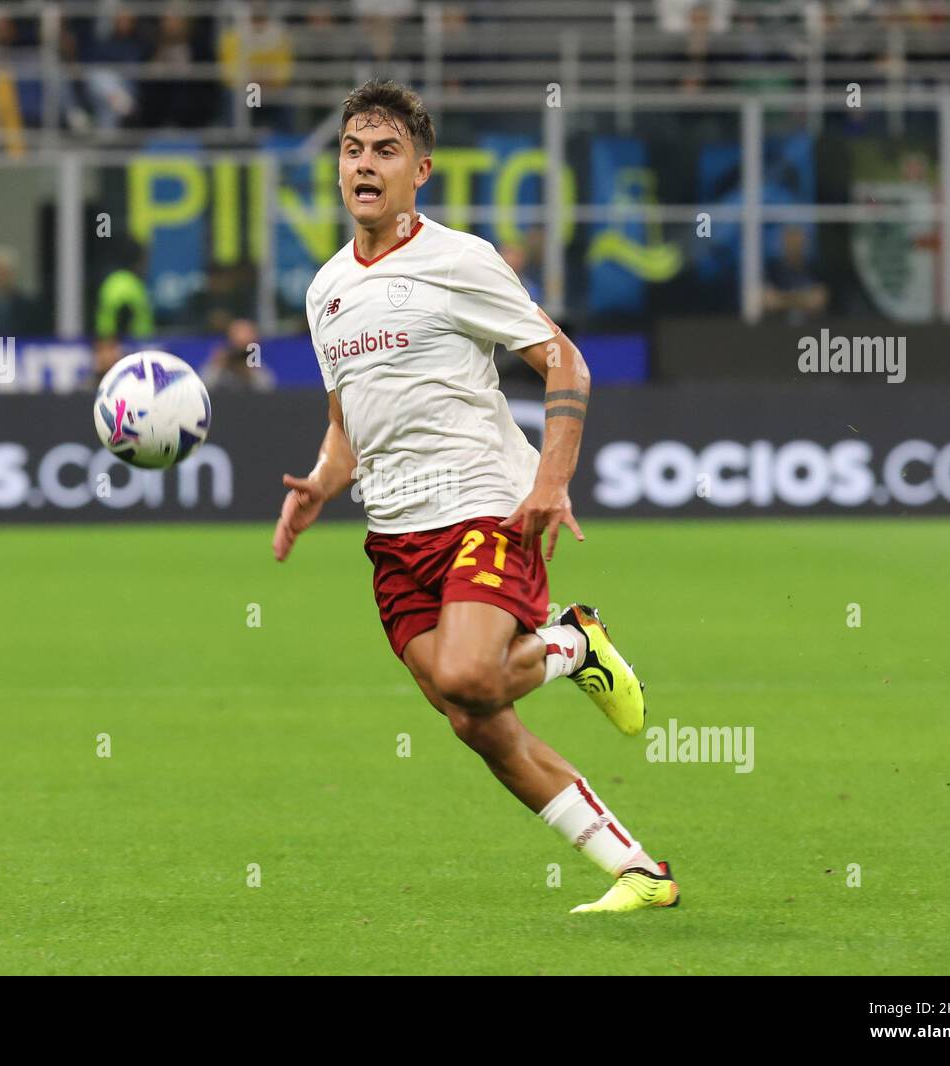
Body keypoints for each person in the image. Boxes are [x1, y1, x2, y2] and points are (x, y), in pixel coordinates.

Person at [273, 80, 678, 916]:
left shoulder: (460, 259)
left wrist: (550, 480)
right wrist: (321, 480)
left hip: (480, 505)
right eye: (352, 149)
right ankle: (637, 870)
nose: (364, 164)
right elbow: (347, 419)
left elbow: (566, 363)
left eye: (384, 151)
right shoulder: (323, 291)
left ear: (420, 170)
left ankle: (569, 643)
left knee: (469, 672)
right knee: (473, 717)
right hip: (394, 534)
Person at [202, 318, 276, 392]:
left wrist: (249, 372)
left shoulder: (255, 367)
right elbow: (204, 389)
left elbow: (268, 389)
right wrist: (217, 365)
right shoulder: (219, 363)